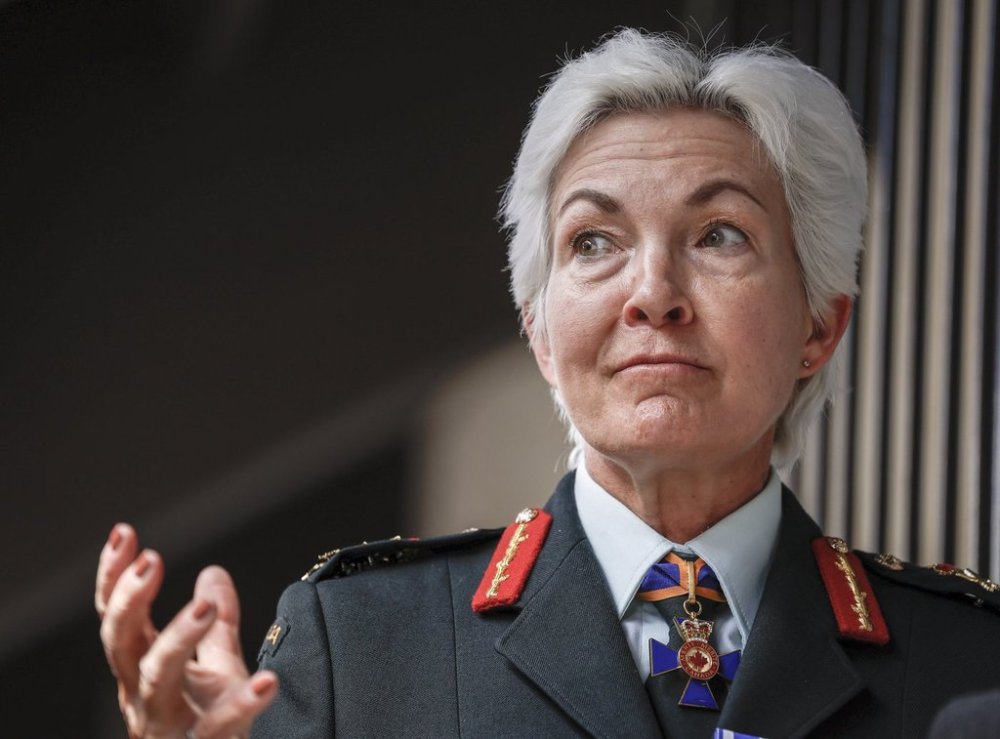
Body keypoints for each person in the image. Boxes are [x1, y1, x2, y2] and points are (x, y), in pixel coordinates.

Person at [96, 29, 1000, 738]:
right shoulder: (366, 644)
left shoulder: (965, 659)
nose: (653, 294)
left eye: (720, 233)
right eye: (594, 242)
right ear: (537, 330)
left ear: (819, 324)